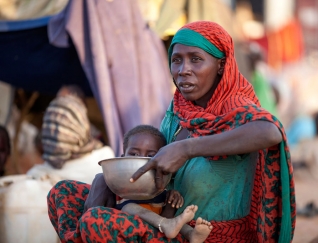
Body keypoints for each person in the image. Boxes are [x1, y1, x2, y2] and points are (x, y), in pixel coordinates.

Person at [47, 21, 295, 243]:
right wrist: (111, 183)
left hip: (207, 235)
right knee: (63, 192)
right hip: (161, 219)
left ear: (221, 65)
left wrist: (186, 148)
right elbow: (156, 174)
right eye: (177, 60)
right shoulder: (178, 109)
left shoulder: (235, 108)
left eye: (196, 59)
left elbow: (271, 131)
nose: (183, 69)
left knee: (96, 222)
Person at [83, 124, 213, 242]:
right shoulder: (116, 189)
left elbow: (167, 219)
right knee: (129, 207)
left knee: (177, 222)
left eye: (151, 156)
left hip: (157, 234)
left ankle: (191, 235)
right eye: (133, 154)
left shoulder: (162, 190)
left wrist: (172, 201)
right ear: (122, 159)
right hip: (127, 234)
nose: (140, 160)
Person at [27, 94, 114, 184]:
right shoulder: (106, 159)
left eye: (63, 128)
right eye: (52, 128)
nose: (57, 135)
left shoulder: (105, 163)